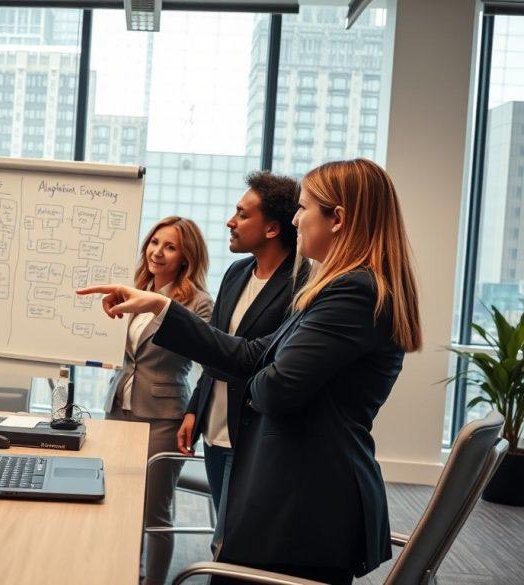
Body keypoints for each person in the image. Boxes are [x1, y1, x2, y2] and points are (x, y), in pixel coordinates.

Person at [79, 159, 422, 584]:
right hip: (290, 492)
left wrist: (264, 371)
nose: (295, 219)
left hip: (303, 506)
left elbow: (275, 389)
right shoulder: (335, 289)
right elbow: (252, 353)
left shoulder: (353, 292)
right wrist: (161, 306)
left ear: (338, 219)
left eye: (304, 208)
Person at [177, 171, 306, 518]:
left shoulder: (302, 283)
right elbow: (215, 345)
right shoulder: (236, 272)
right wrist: (195, 407)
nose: (230, 222)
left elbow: (268, 362)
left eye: (242, 214)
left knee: (238, 533)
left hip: (254, 433)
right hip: (214, 428)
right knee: (222, 527)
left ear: (272, 229)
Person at [105, 216, 213, 585]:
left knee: (154, 512)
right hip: (119, 408)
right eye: (154, 242)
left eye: (170, 247)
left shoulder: (198, 303)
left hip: (163, 417)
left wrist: (195, 414)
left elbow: (210, 362)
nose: (157, 252)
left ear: (186, 257)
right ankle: (126, 576)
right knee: (119, 504)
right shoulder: (132, 291)